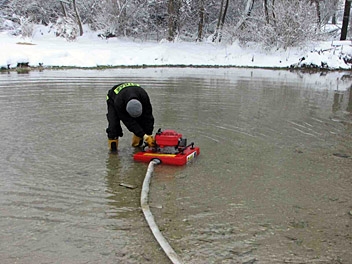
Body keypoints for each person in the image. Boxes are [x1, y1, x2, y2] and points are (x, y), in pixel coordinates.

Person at [106, 82, 155, 152]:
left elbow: (148, 117)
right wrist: (144, 136)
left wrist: (148, 135)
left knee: (144, 123)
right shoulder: (119, 102)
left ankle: (137, 147)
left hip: (134, 92)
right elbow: (129, 123)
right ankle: (113, 153)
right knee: (113, 126)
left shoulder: (144, 97)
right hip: (113, 98)